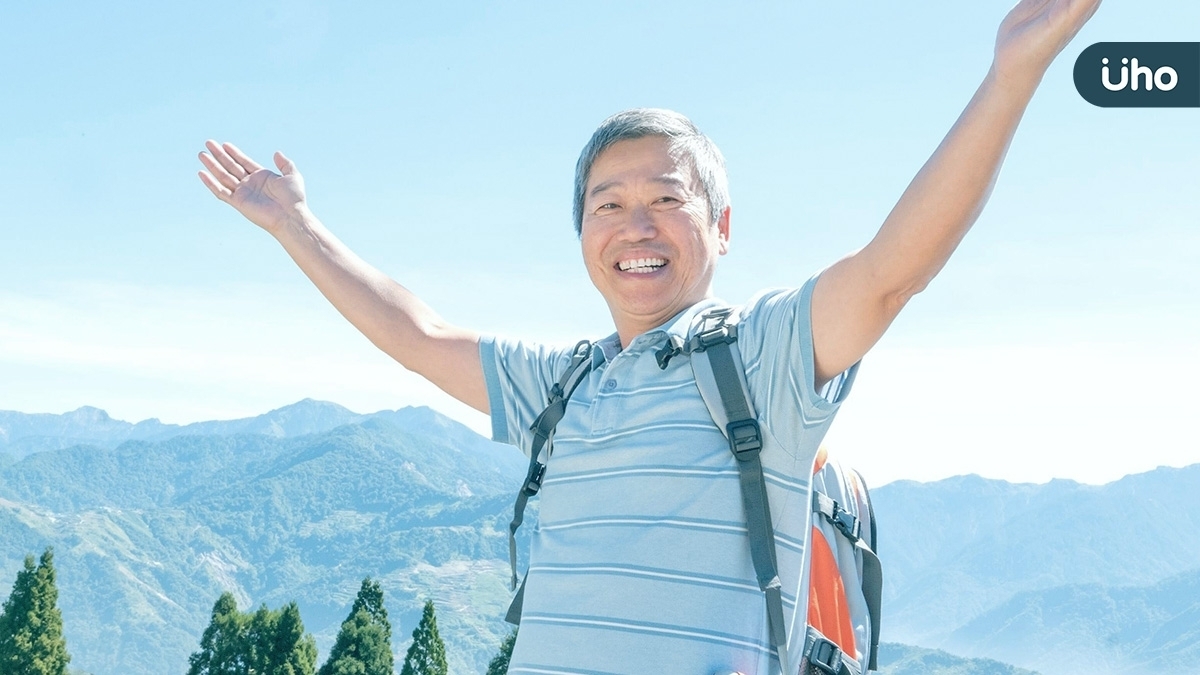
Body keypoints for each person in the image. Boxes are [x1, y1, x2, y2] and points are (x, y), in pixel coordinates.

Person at [198, 1, 1101, 672]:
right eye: (610, 204)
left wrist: (1010, 74)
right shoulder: (560, 385)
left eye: (668, 200)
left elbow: (891, 269)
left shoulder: (763, 360)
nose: (637, 226)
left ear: (722, 227)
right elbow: (416, 330)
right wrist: (294, 227)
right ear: (582, 234)